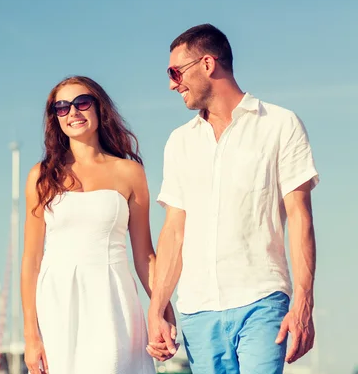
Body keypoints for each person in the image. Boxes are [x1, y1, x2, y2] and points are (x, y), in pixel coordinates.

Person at [146, 24, 319, 374]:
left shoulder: (280, 125)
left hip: (262, 300)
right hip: (197, 311)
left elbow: (300, 218)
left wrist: (303, 302)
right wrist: (156, 309)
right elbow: (174, 232)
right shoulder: (179, 142)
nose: (171, 84)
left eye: (176, 72)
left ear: (207, 64)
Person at [20, 75, 176, 374]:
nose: (73, 113)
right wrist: (31, 335)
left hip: (112, 298)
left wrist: (164, 313)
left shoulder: (130, 172)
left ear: (99, 108)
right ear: (55, 118)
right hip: (57, 302)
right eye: (62, 107)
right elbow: (31, 260)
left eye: (82, 103)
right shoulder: (40, 176)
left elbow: (145, 256)